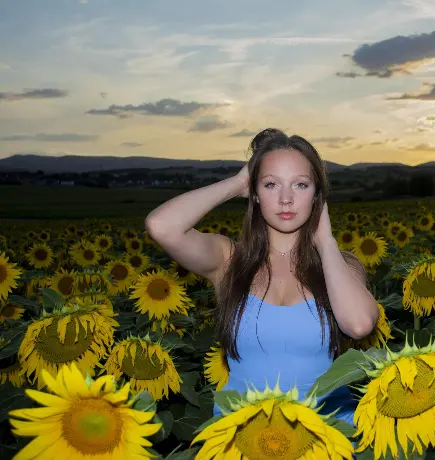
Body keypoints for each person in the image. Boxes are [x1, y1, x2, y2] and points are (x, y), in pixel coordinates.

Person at [145, 128, 379, 426]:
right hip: (243, 437)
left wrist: (326, 243)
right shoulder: (229, 261)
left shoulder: (340, 265)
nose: (285, 199)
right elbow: (161, 226)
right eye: (271, 185)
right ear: (254, 194)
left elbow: (359, 325)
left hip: (326, 437)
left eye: (300, 185)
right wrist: (237, 182)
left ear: (318, 195)